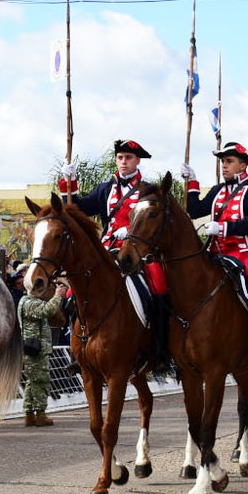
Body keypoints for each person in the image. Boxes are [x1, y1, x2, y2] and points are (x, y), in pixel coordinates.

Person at [59, 139, 171, 370]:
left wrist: (129, 231)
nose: (123, 162)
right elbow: (76, 209)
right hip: (106, 251)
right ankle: (78, 350)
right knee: (71, 294)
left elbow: (154, 223)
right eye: (120, 157)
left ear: (137, 161)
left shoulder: (147, 190)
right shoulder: (105, 188)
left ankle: (159, 350)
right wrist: (68, 182)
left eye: (128, 158)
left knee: (159, 287)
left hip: (138, 253)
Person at [181, 142, 248, 361]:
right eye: (223, 161)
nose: (224, 166)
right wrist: (192, 182)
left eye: (229, 161)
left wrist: (225, 228)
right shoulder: (217, 191)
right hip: (216, 252)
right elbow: (194, 211)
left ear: (243, 165)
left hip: (245, 251)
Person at [19, 280, 67, 426]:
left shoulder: (25, 301)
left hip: (33, 346)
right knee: (41, 381)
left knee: (31, 382)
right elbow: (47, 310)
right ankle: (40, 414)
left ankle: (29, 413)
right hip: (35, 348)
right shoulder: (30, 302)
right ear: (38, 291)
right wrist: (58, 296)